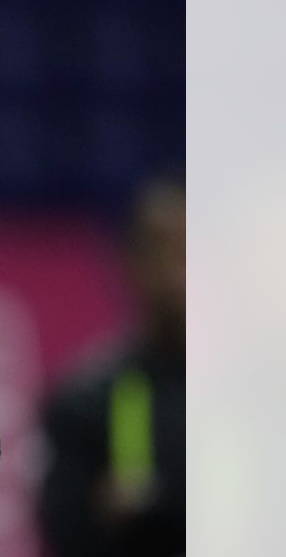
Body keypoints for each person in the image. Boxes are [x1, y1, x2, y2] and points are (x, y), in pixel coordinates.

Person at [38, 175, 185, 557]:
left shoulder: (253, 398)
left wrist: (151, 508)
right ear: (130, 261)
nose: (177, 274)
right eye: (163, 250)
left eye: (189, 250)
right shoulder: (86, 396)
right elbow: (63, 529)